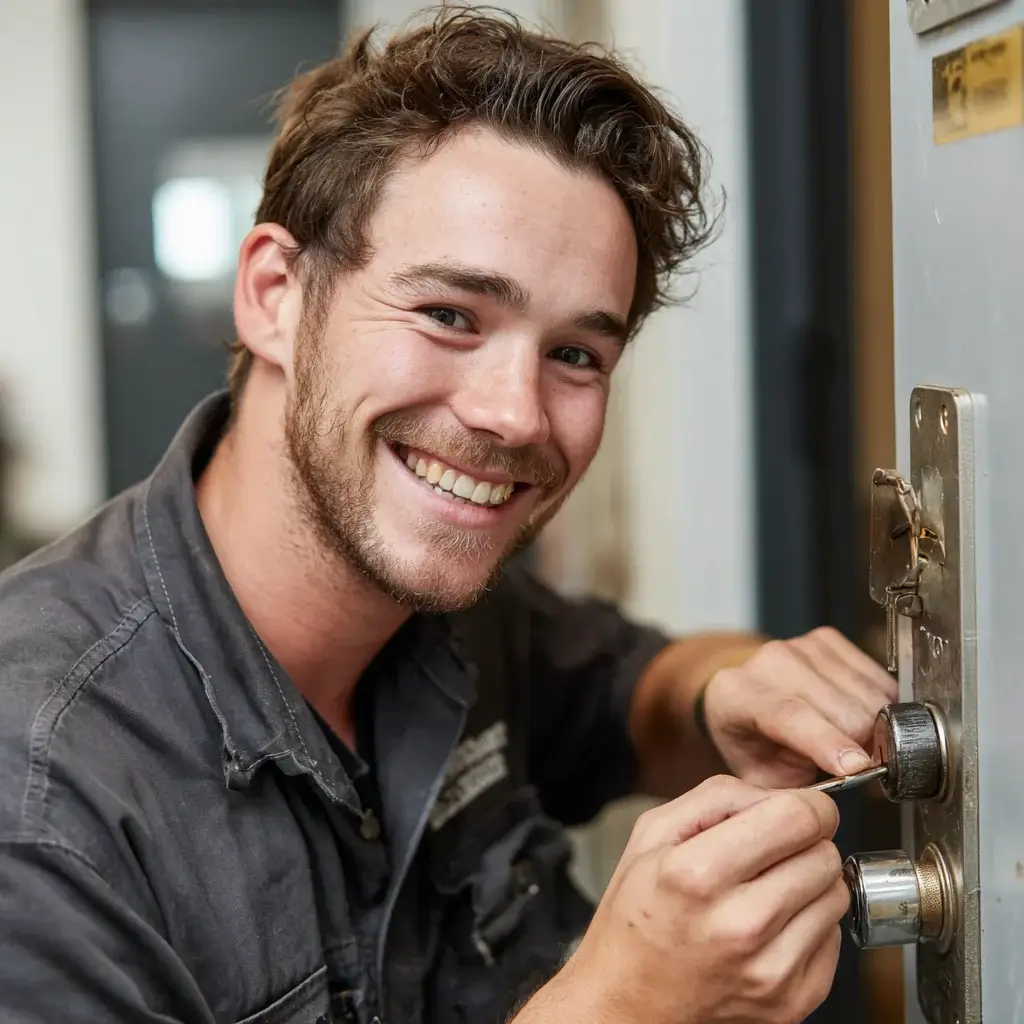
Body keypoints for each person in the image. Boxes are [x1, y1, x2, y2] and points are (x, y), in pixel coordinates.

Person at [0, 8, 897, 1024]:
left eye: (574, 355)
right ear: (273, 296)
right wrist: (622, 1005)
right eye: (449, 315)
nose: (513, 413)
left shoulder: (441, 607)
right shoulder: (39, 786)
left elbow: (634, 696)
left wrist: (728, 689)